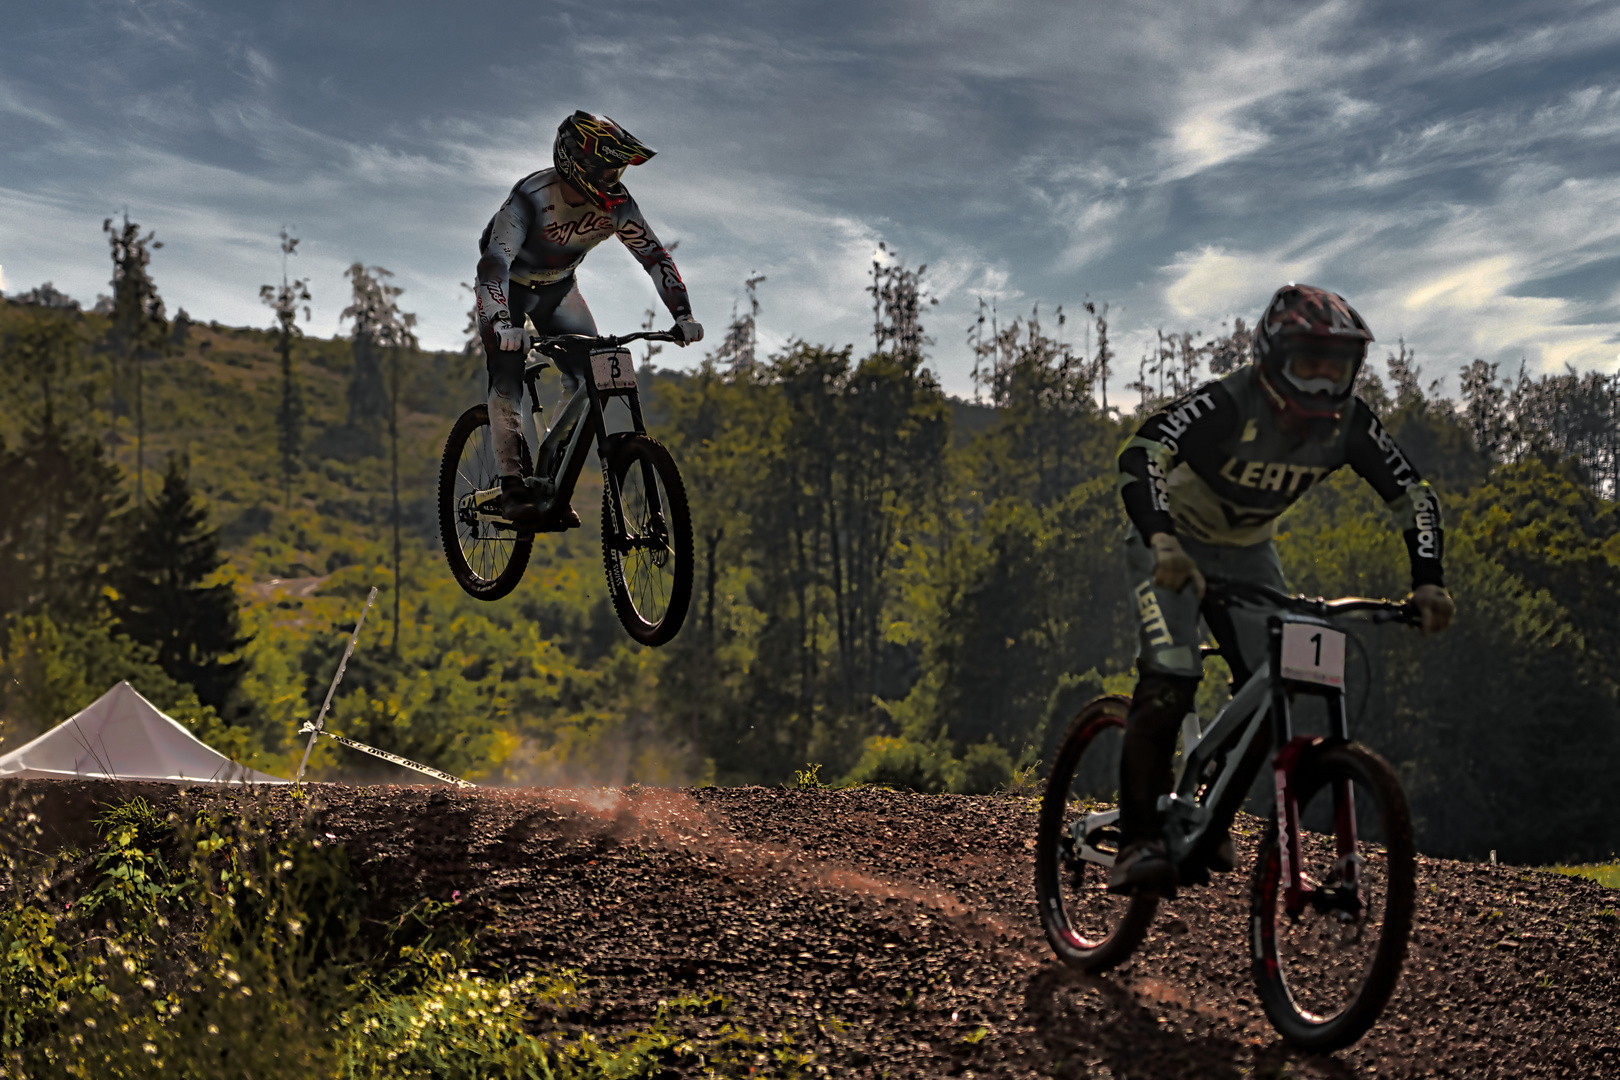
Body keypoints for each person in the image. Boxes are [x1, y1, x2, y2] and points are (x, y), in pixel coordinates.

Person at [1110, 284, 1455, 896]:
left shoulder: (1351, 423)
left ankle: (1208, 810)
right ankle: (1138, 840)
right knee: (1172, 675)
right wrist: (1161, 541)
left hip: (1248, 552)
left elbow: (1414, 496)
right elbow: (1143, 450)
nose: (1324, 387)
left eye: (1338, 370)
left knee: (1277, 688)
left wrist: (1428, 582)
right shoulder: (1229, 400)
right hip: (1171, 542)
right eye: (1308, 367)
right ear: (1271, 361)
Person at [473, 110, 703, 525]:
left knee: (590, 374)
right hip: (510, 287)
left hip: (559, 287)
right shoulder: (531, 196)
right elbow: (494, 264)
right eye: (607, 170)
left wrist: (682, 313)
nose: (613, 180)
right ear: (576, 163)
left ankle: (552, 474)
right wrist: (503, 324)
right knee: (506, 371)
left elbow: (654, 256)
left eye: (618, 171)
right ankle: (511, 484)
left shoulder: (620, 206)